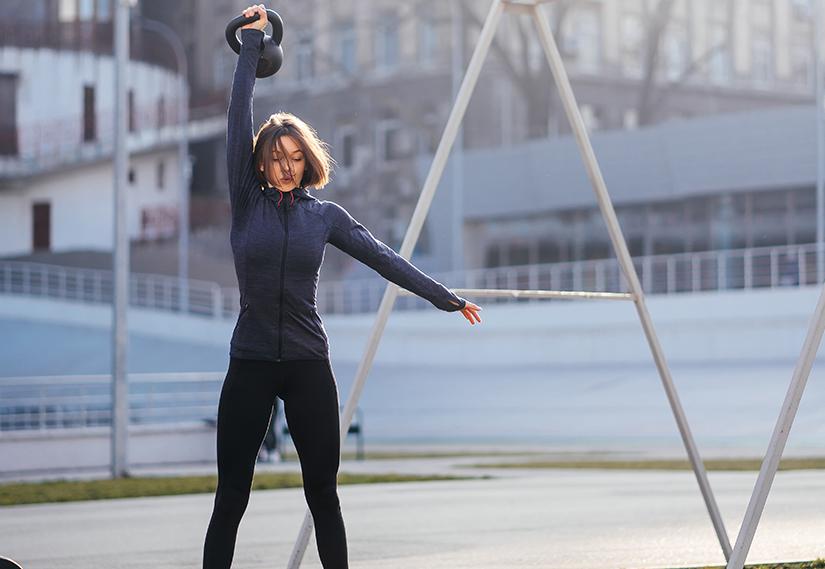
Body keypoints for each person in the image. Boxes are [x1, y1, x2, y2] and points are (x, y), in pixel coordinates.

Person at [202, 5, 482, 569]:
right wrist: (251, 46)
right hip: (251, 360)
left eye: (295, 156)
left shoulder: (324, 217)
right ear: (258, 164)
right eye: (275, 158)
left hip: (308, 364)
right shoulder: (244, 204)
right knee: (232, 496)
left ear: (308, 162)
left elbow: (383, 258)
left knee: (323, 497)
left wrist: (441, 295)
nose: (285, 165)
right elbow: (240, 114)